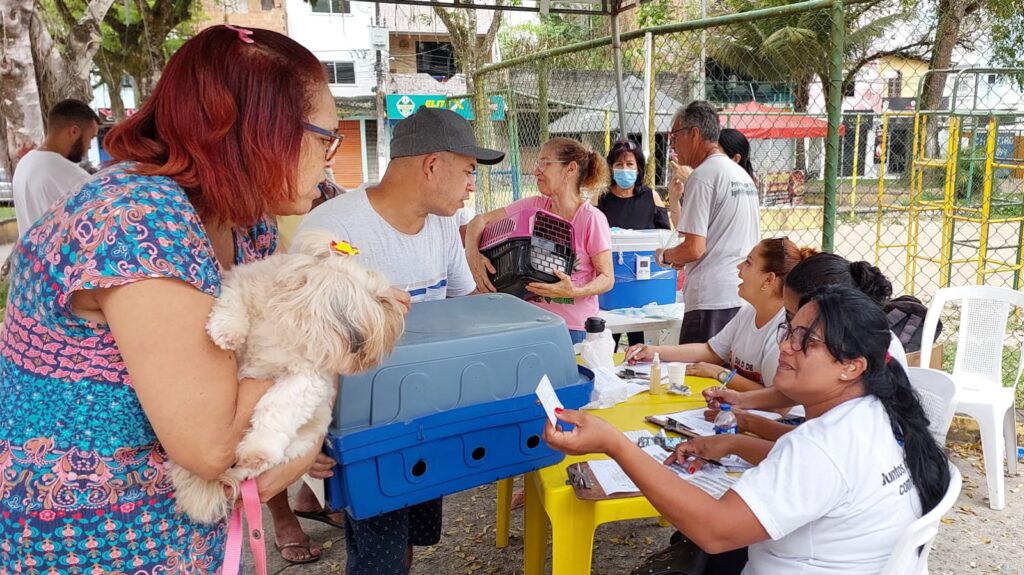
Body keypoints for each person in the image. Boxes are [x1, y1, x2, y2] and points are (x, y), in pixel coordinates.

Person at [0, 25, 384, 573]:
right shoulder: (139, 220)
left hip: (183, 532)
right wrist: (307, 404)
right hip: (93, 542)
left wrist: (303, 415)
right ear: (262, 130)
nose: (330, 157)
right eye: (326, 137)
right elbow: (213, 449)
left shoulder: (244, 224)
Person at [544, 286, 952, 575]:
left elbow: (715, 531)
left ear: (852, 366)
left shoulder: (822, 444)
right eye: (789, 331)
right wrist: (734, 443)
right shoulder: (879, 413)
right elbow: (825, 480)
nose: (786, 347)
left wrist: (614, 443)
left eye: (805, 340)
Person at [275, 106, 503, 573]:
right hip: (362, 425)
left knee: (411, 536)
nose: (470, 185)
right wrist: (306, 431)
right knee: (376, 551)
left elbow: (461, 306)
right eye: (467, 171)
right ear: (431, 166)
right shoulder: (334, 230)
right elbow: (297, 344)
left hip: (425, 410)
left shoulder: (441, 223)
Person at [704, 252, 910, 441]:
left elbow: (809, 449)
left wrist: (737, 437)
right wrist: (742, 404)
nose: (785, 343)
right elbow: (804, 436)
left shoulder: (859, 356)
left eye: (793, 317)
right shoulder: (848, 345)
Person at [466, 137, 614, 344]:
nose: (536, 170)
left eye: (544, 163)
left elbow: (607, 277)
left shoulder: (591, 219)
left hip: (571, 329)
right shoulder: (533, 206)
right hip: (528, 323)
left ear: (570, 169)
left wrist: (575, 292)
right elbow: (478, 221)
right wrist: (473, 255)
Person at [625, 238, 816, 391]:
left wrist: (720, 374)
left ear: (769, 279)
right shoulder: (749, 312)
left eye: (748, 263)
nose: (739, 268)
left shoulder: (784, 330)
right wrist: (655, 351)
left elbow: (776, 401)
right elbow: (711, 351)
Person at [658, 101, 760, 345]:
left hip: (711, 299)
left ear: (694, 134)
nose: (673, 145)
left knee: (697, 375)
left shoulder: (703, 176)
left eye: (675, 136)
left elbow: (694, 248)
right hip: (742, 294)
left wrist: (665, 255)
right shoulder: (741, 176)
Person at [595, 139, 671, 346]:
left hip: (642, 278)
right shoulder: (600, 198)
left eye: (630, 164)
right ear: (611, 167)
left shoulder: (650, 196)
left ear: (639, 169)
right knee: (608, 338)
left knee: (640, 338)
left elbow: (665, 234)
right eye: (619, 164)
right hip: (610, 278)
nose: (624, 169)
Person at [12, 98, 100, 236]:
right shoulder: (72, 176)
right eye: (91, 138)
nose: (89, 146)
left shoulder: (25, 163)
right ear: (74, 132)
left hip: (31, 255)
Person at [668, 128, 754, 241]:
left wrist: (692, 180)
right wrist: (674, 200)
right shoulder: (742, 181)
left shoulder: (730, 188)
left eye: (716, 154)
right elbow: (685, 231)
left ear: (735, 159)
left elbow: (696, 247)